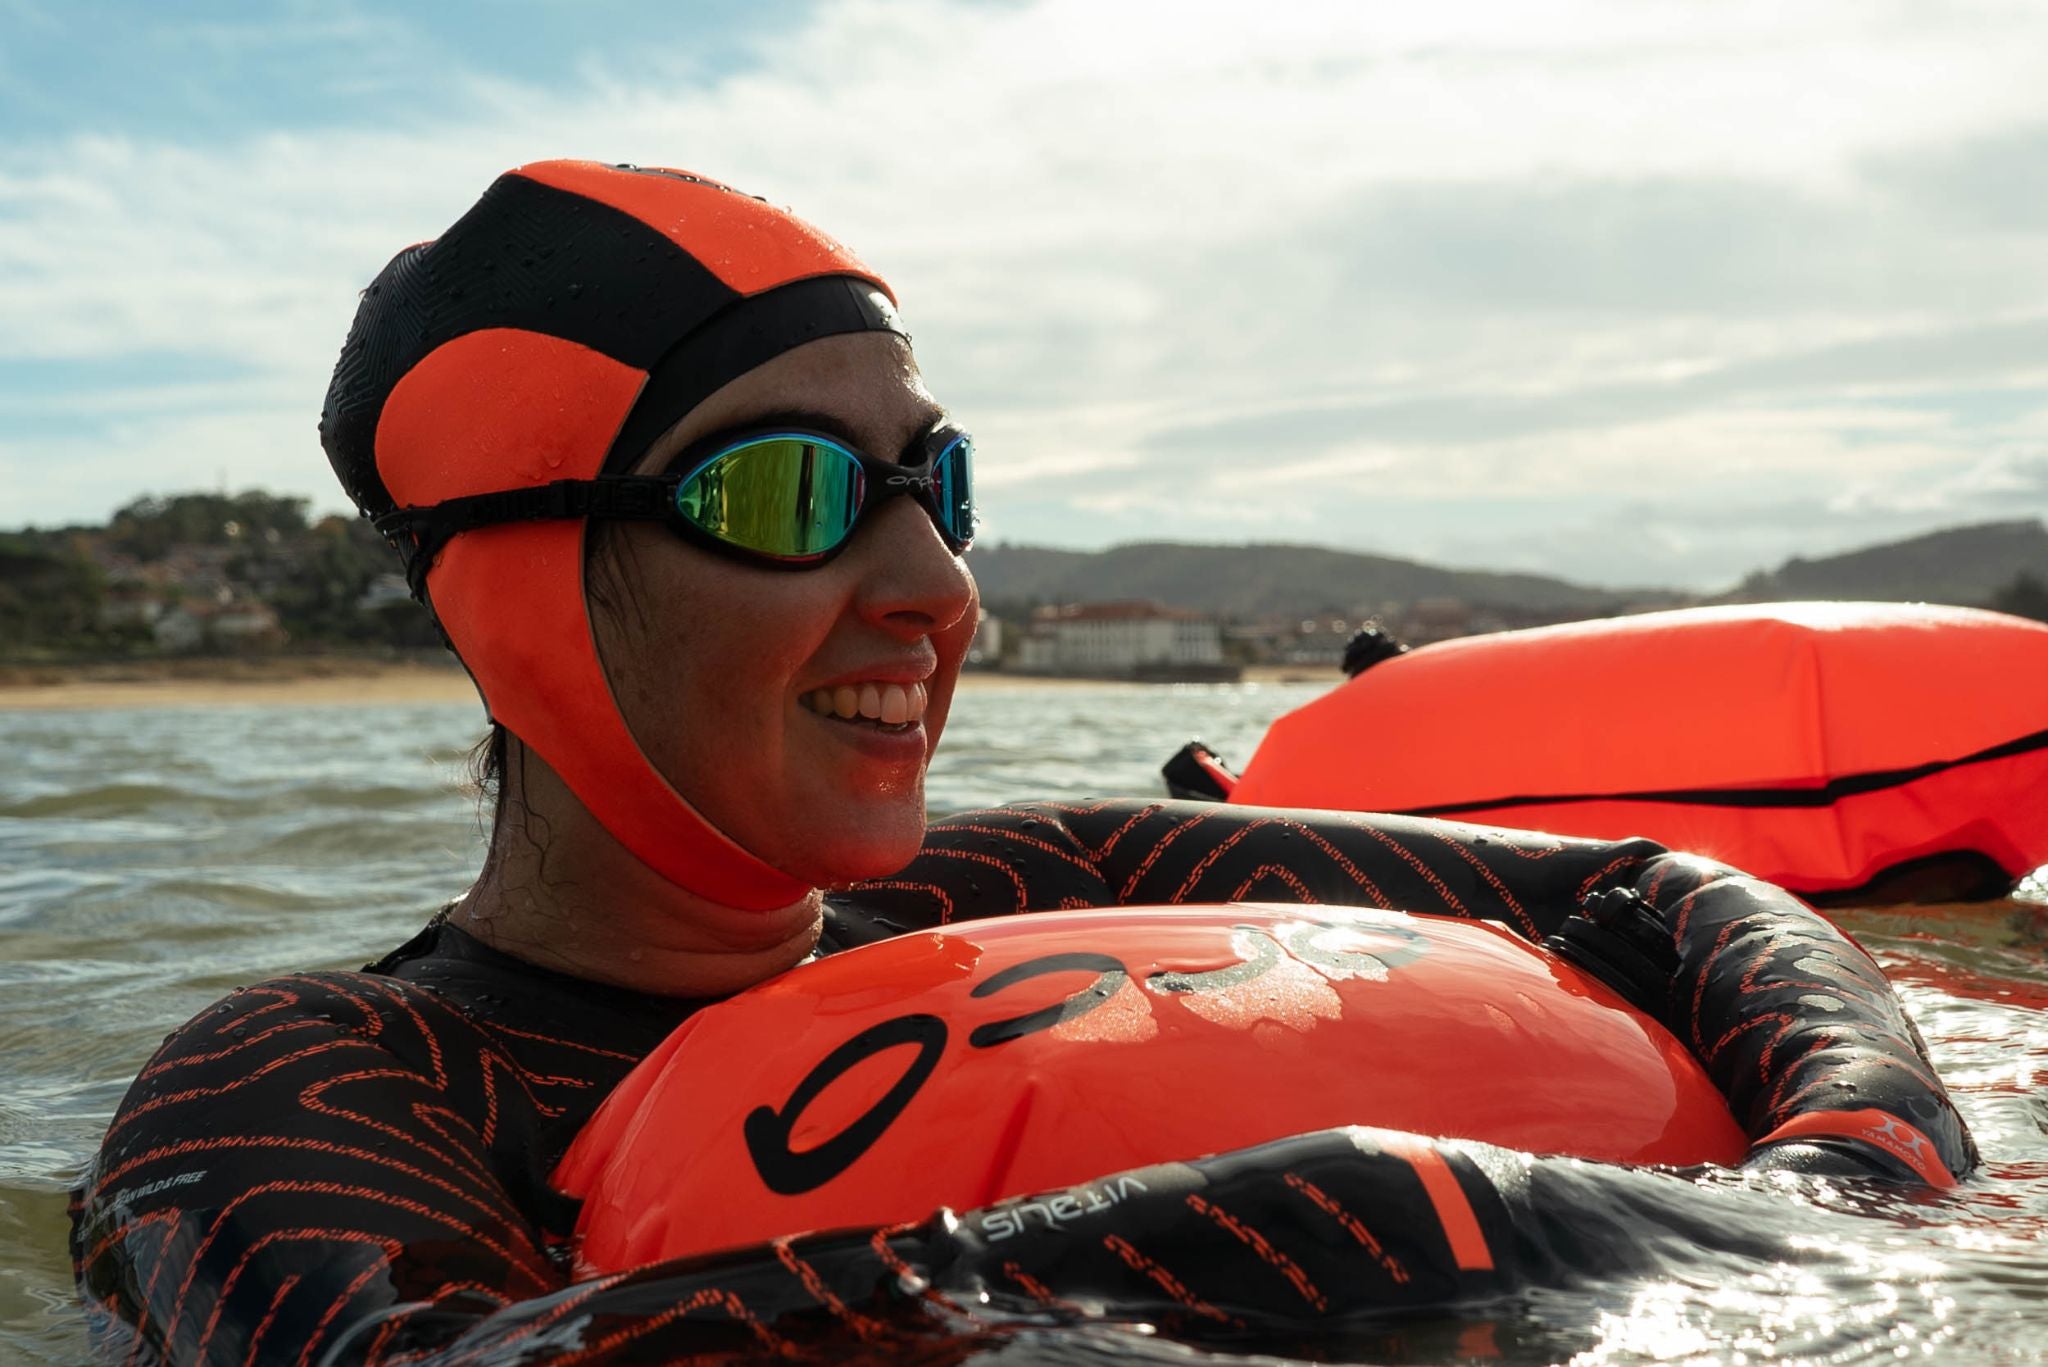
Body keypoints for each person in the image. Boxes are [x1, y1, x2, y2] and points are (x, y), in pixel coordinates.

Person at [70, 162, 1975, 1365]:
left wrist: (1848, 1159)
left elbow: (1651, 894)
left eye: (936, 482)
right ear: (515, 601)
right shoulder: (318, 1080)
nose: (935, 584)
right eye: (786, 491)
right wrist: (1357, 1218)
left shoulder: (1022, 883)